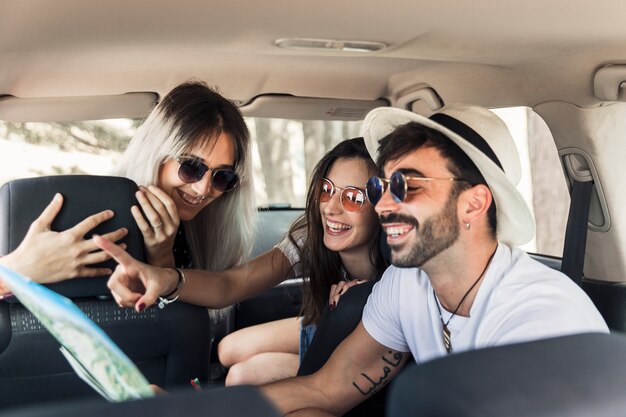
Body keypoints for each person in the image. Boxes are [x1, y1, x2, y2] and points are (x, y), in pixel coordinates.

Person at [259, 104, 609, 416]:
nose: (382, 206)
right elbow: (327, 389)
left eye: (407, 187)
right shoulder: (405, 282)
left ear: (473, 204)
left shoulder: (541, 320)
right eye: (381, 188)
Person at [93, 138, 388, 385]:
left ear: (384, 204)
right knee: (227, 348)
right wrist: (165, 277)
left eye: (353, 198)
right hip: (324, 328)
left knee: (241, 377)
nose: (331, 208)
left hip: (360, 345)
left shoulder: (399, 264)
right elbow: (229, 284)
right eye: (326, 190)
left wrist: (357, 303)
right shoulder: (312, 234)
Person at [0, 81, 257, 303]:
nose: (204, 188)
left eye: (223, 177)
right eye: (191, 167)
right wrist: (15, 271)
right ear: (156, 154)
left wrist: (162, 259)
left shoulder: (200, 236)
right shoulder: (84, 209)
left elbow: (181, 332)